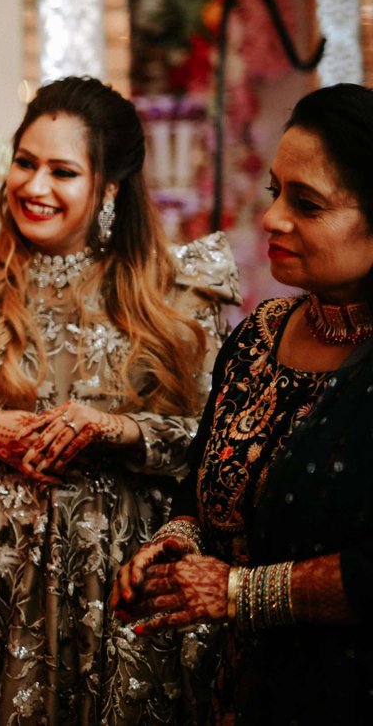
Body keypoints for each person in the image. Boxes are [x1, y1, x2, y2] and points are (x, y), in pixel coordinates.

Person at [0, 76, 237, 725]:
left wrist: (119, 430)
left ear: (110, 187)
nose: (35, 186)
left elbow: (220, 443)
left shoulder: (176, 292)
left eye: (62, 171)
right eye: (25, 162)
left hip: (125, 564)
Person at [113, 83, 373, 723]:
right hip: (242, 689)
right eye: (275, 192)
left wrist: (239, 591)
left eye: (307, 204)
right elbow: (205, 479)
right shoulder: (260, 335)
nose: (273, 218)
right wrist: (179, 539)